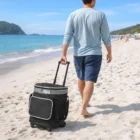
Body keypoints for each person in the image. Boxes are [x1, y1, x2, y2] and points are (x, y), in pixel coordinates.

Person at [60, 0, 112, 117]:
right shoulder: (100, 15)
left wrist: (63, 53)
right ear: (92, 0)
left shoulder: (73, 15)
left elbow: (67, 35)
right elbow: (106, 36)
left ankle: (84, 101)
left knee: (81, 77)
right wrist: (109, 52)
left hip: (78, 53)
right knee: (90, 80)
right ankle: (84, 107)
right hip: (94, 53)